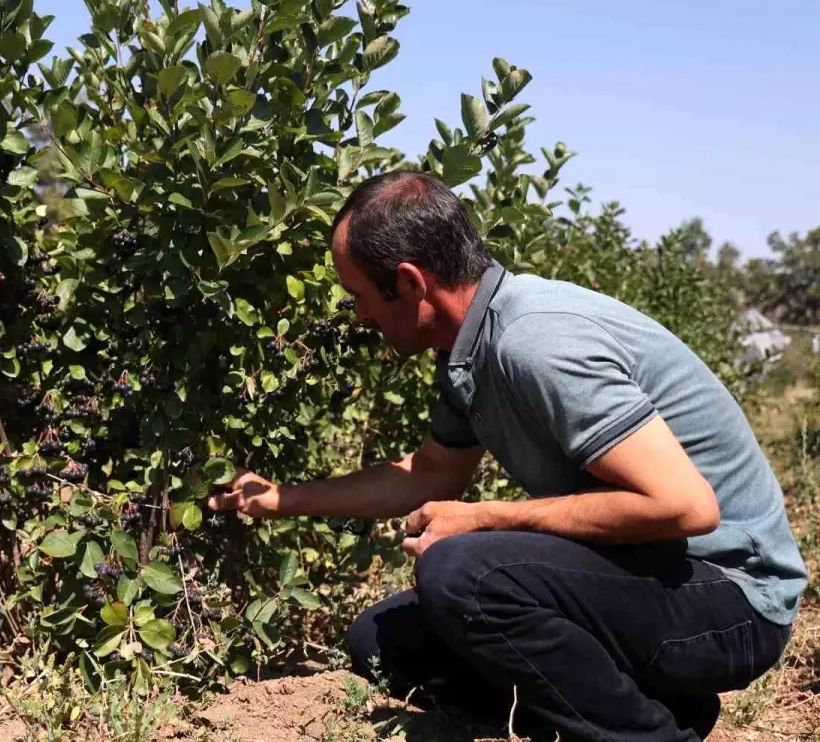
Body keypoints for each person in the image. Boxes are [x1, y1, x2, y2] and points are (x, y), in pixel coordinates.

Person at [207, 170, 807, 741]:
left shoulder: (532, 342)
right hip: (656, 580)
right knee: (382, 642)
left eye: (360, 296)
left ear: (412, 283)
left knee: (461, 573)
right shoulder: (469, 349)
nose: (358, 314)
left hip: (731, 602)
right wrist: (283, 499)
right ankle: (661, 704)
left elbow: (685, 507)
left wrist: (486, 515)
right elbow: (430, 475)